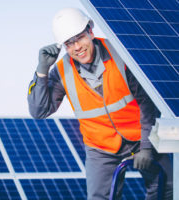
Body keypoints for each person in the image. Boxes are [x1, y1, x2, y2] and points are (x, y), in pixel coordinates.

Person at [27, 8, 173, 200]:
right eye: (69, 43)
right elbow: (39, 111)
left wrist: (146, 146)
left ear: (90, 31)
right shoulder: (62, 71)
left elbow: (147, 103)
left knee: (168, 186)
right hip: (100, 148)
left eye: (79, 37)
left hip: (140, 137)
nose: (77, 47)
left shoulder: (121, 54)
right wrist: (42, 71)